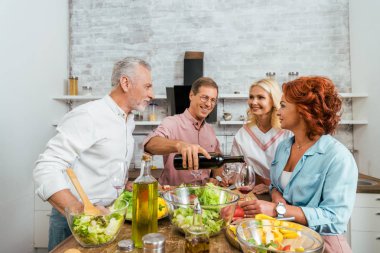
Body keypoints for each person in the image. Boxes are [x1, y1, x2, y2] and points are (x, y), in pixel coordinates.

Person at [33, 57, 154, 251]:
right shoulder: (89, 115)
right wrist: (80, 211)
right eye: (147, 86)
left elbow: (100, 164)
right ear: (125, 83)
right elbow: (46, 167)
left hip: (106, 216)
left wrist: (121, 186)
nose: (152, 94)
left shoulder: (127, 121)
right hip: (73, 222)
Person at [240, 76, 357, 253]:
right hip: (289, 239)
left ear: (304, 110)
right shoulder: (284, 147)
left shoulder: (338, 157)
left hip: (323, 244)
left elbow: (335, 218)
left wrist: (277, 209)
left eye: (284, 105)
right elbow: (275, 185)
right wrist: (276, 196)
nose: (278, 111)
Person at [144, 77, 223, 186]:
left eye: (213, 100)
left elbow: (218, 162)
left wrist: (217, 178)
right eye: (204, 98)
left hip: (203, 198)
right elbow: (150, 145)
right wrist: (179, 145)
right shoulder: (171, 123)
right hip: (173, 197)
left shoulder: (210, 131)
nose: (209, 104)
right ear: (191, 95)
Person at [230, 78, 292, 194]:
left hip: (284, 195)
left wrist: (270, 188)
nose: (253, 102)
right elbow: (235, 171)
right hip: (253, 194)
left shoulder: (287, 132)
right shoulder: (242, 134)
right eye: (251, 97)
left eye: (260, 97)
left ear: (273, 100)